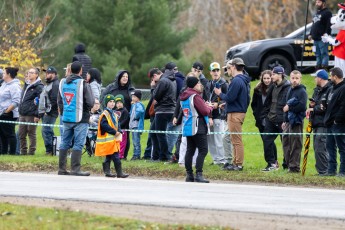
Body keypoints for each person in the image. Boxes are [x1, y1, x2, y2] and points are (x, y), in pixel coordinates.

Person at [57, 61, 94, 176]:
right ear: (81, 71)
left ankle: (61, 168)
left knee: (64, 142)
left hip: (67, 118)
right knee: (78, 143)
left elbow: (59, 100)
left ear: (70, 70)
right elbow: (91, 102)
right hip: (81, 118)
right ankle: (75, 169)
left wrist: (64, 112)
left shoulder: (62, 82)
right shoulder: (83, 84)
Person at [214, 58, 251, 171]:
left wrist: (220, 93)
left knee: (236, 140)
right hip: (237, 111)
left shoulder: (236, 80)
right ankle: (235, 163)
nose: (228, 70)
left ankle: (238, 164)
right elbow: (240, 99)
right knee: (234, 140)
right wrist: (227, 104)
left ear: (234, 67)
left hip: (235, 114)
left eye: (229, 67)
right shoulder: (243, 80)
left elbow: (230, 97)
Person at [180, 75, 213, 183]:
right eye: (198, 83)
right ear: (194, 85)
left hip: (188, 126)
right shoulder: (195, 96)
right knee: (203, 150)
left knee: (190, 150)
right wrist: (211, 107)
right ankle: (199, 174)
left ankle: (189, 175)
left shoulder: (184, 95)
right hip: (198, 126)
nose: (200, 85)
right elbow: (204, 111)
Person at [261, 66, 291, 171]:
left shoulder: (288, 87)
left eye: (273, 74)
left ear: (280, 75)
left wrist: (285, 119)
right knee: (266, 140)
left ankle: (287, 165)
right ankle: (272, 164)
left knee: (286, 143)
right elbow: (268, 102)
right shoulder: (273, 86)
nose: (271, 76)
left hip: (282, 120)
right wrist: (265, 115)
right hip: (271, 118)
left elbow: (289, 104)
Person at [101, 70, 135, 160]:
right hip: (112, 116)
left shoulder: (130, 89)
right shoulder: (111, 87)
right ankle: (110, 154)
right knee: (112, 135)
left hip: (125, 117)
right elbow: (103, 98)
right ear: (119, 77)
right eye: (123, 76)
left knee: (125, 137)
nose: (125, 78)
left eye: (127, 77)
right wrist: (107, 111)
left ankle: (123, 156)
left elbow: (135, 101)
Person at [95, 94, 129, 178]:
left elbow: (117, 124)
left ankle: (107, 172)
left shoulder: (114, 114)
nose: (112, 103)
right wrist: (114, 132)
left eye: (113, 101)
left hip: (113, 140)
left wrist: (119, 131)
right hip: (108, 140)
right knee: (115, 156)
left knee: (109, 156)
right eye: (110, 101)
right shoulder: (105, 114)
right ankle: (119, 173)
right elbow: (104, 125)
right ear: (106, 103)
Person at [307, 69, 332, 175]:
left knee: (321, 147)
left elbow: (325, 107)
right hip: (316, 123)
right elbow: (317, 104)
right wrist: (312, 105)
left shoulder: (329, 90)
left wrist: (314, 109)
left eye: (316, 77)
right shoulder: (317, 90)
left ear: (320, 78)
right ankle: (321, 170)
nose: (314, 79)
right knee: (317, 147)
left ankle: (324, 171)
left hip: (324, 123)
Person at [282, 70, 307, 173]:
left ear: (300, 79)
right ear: (290, 78)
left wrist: (290, 107)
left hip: (297, 121)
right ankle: (289, 165)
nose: (295, 80)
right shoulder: (289, 90)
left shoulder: (302, 91)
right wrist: (284, 120)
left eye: (297, 78)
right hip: (288, 121)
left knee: (296, 144)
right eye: (293, 78)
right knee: (286, 143)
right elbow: (285, 106)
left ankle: (294, 167)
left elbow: (302, 106)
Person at [151, 62, 177, 161]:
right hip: (171, 110)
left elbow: (156, 96)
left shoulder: (163, 81)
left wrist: (153, 87)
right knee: (154, 132)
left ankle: (164, 156)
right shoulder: (172, 80)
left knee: (160, 134)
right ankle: (157, 156)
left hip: (162, 110)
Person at [323, 67, 345, 176]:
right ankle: (331, 170)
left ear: (335, 77)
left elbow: (343, 107)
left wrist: (337, 120)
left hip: (339, 124)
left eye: (331, 76)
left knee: (342, 148)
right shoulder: (332, 88)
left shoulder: (343, 88)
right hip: (329, 123)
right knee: (330, 147)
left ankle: (343, 171)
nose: (329, 78)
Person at [206, 62, 228, 165]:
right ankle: (216, 160)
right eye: (213, 70)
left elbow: (228, 99)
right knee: (210, 139)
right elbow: (205, 98)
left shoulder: (224, 84)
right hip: (208, 115)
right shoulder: (208, 84)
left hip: (219, 115)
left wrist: (218, 104)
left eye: (217, 70)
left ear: (220, 71)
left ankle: (222, 160)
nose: (216, 72)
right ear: (210, 72)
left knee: (219, 139)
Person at [18, 68, 44, 155]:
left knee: (31, 134)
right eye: (28, 72)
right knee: (21, 134)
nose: (29, 74)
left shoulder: (39, 86)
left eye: (32, 73)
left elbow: (41, 101)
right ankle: (23, 152)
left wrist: (38, 115)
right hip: (22, 113)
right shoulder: (26, 84)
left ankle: (31, 152)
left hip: (32, 114)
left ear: (36, 75)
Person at [36, 66, 60, 155]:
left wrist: (48, 112)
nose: (47, 75)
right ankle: (53, 150)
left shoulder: (55, 84)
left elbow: (54, 101)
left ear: (54, 74)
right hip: (45, 112)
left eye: (49, 73)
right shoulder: (48, 84)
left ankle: (49, 151)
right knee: (48, 131)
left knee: (46, 130)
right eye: (46, 73)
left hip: (50, 113)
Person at [0, 67, 22, 155]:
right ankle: (3, 153)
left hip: (9, 114)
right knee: (2, 135)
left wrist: (6, 111)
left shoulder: (14, 86)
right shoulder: (4, 84)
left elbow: (16, 101)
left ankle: (12, 153)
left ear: (9, 74)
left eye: (4, 73)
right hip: (1, 113)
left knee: (10, 134)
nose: (3, 75)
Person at [308, 0, 332, 70]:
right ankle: (318, 69)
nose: (316, 4)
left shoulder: (327, 12)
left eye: (318, 2)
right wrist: (310, 34)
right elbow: (314, 24)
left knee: (324, 54)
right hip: (315, 38)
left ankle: (324, 69)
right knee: (317, 54)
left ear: (323, 3)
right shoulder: (317, 12)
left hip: (322, 38)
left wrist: (326, 34)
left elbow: (329, 24)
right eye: (316, 2)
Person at [129, 90, 145, 160]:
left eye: (134, 97)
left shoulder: (139, 104)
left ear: (138, 98)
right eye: (132, 96)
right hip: (132, 125)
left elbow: (141, 111)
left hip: (136, 126)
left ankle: (137, 155)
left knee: (136, 141)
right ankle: (135, 154)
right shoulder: (134, 105)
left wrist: (136, 116)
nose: (132, 98)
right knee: (134, 141)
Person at [114, 94, 129, 159]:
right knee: (116, 142)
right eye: (117, 103)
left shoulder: (125, 111)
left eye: (120, 102)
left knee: (122, 143)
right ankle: (115, 154)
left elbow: (125, 120)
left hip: (122, 130)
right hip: (115, 130)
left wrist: (119, 127)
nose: (119, 104)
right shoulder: (114, 111)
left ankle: (121, 155)